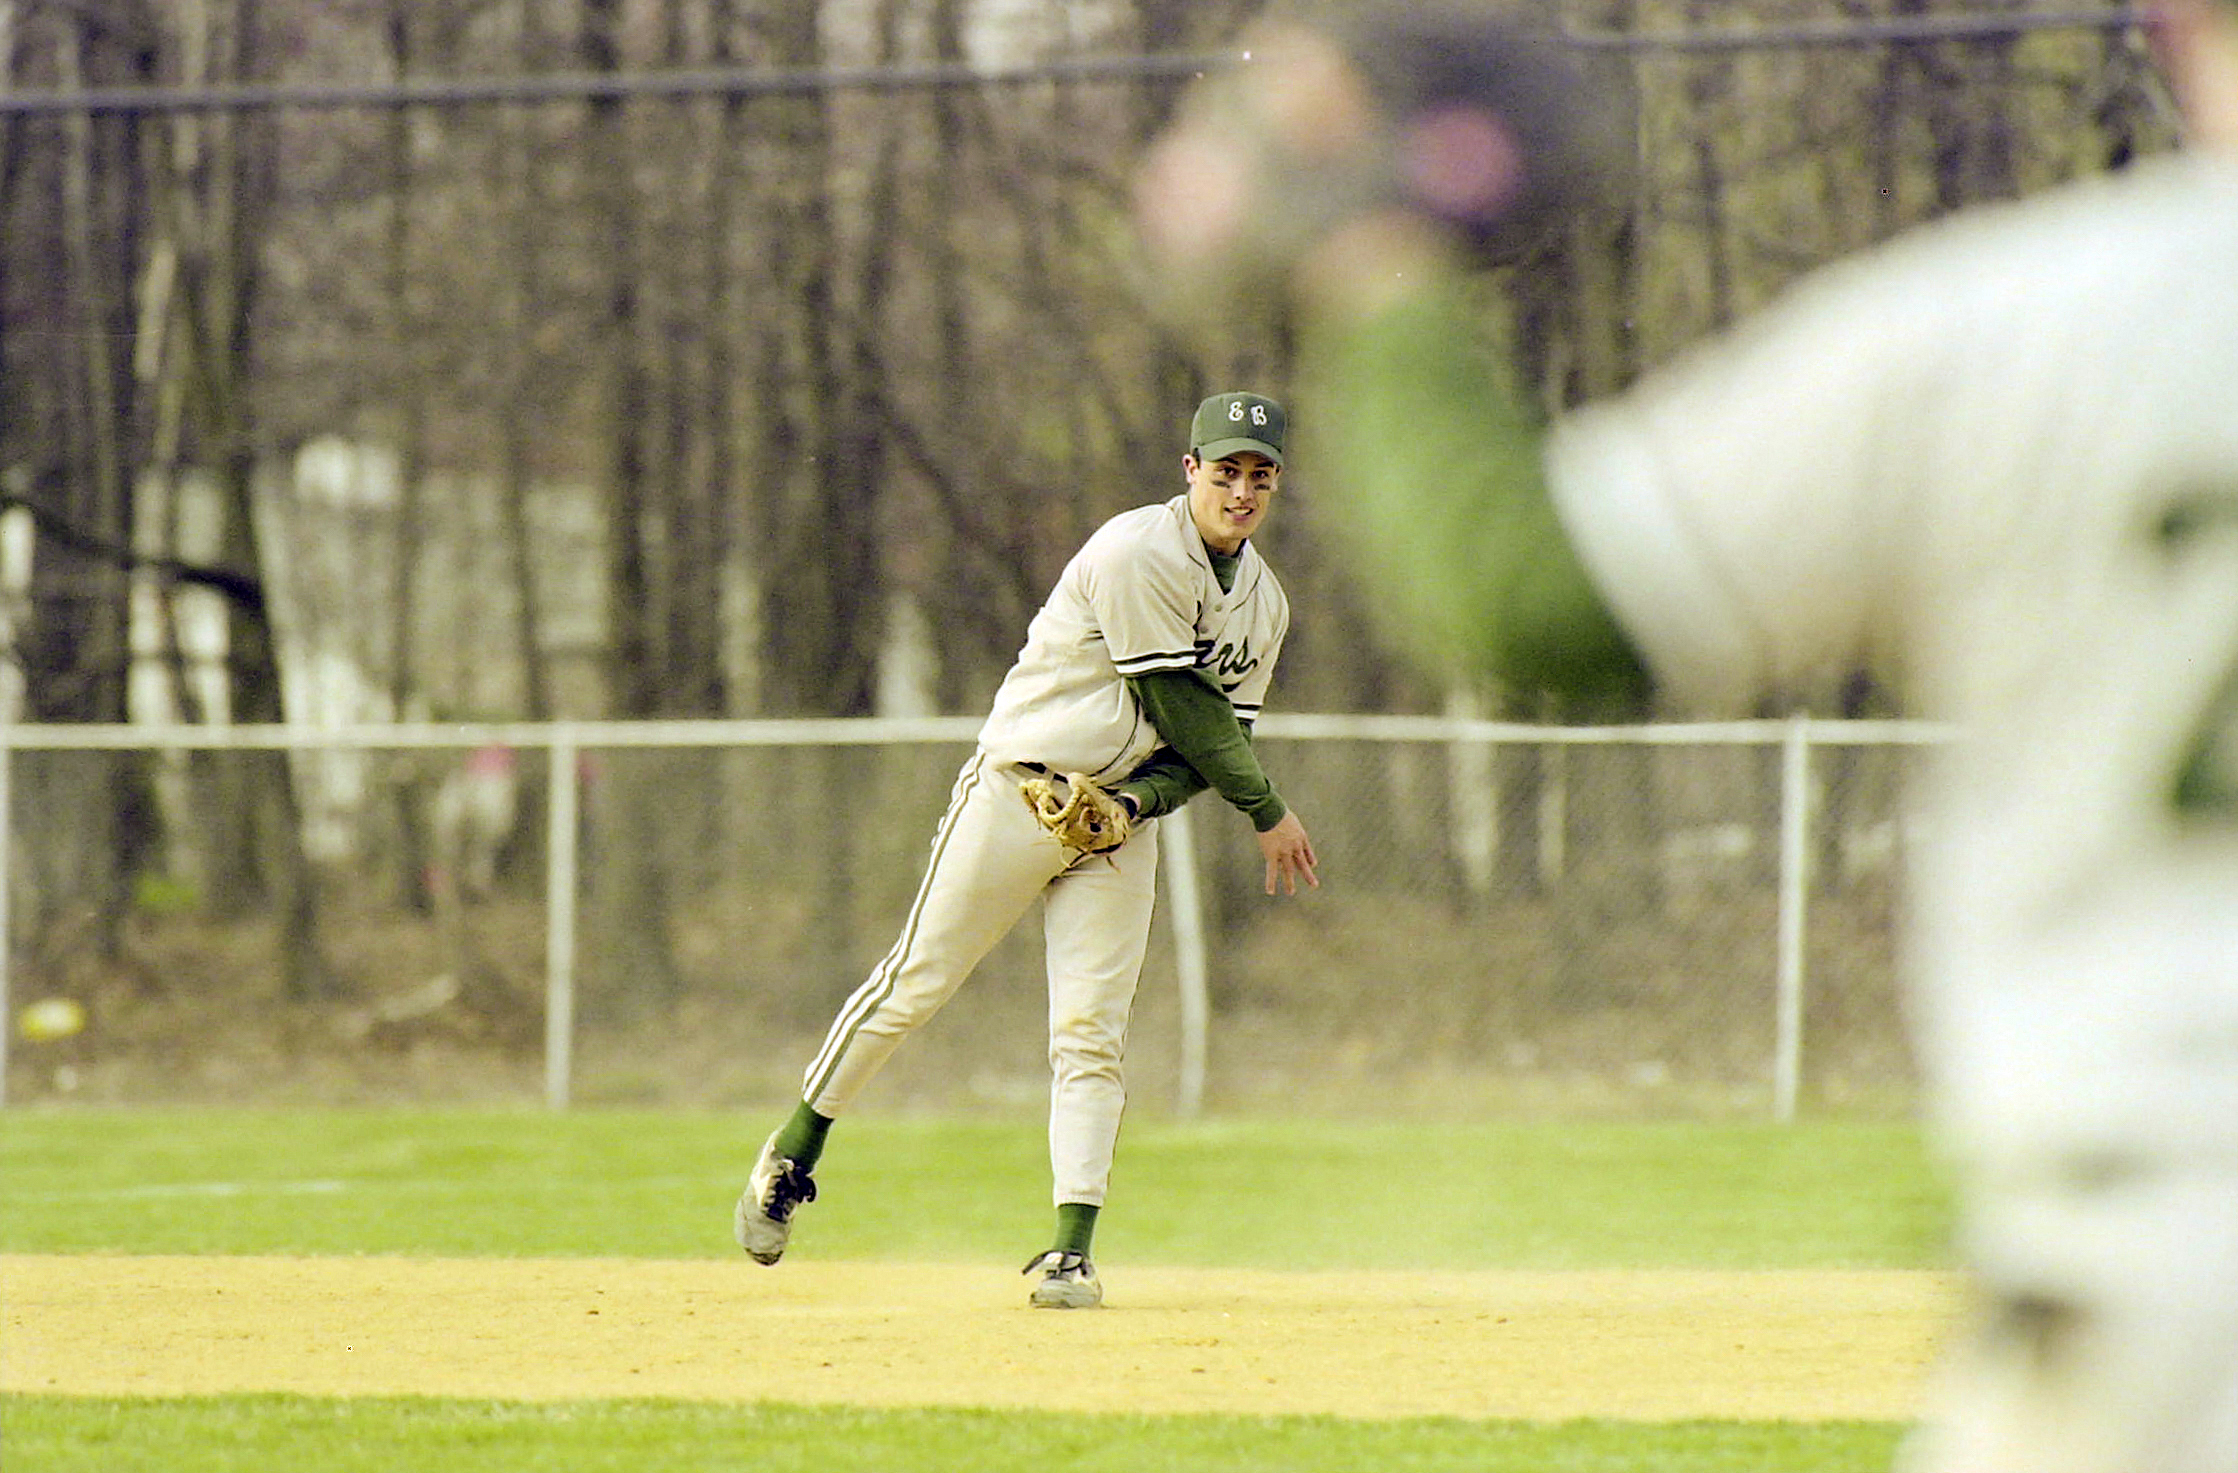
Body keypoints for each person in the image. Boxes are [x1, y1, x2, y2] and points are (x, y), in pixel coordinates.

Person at [1138, 2, 2238, 1467]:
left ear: (2170, 25)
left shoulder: (2021, 322)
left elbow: (1540, 595)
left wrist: (1363, 254)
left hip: (2159, 1281)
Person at [735, 392, 1319, 1309]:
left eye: (1260, 474)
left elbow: (1217, 747)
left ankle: (1070, 1251)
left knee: (1090, 1034)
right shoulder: (1136, 550)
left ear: (1276, 483)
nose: (1241, 491)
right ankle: (792, 1153)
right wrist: (1268, 809)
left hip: (1117, 822)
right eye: (1226, 470)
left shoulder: (1266, 605)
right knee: (916, 981)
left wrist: (1133, 802)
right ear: (1190, 470)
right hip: (1020, 790)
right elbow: (1181, 705)